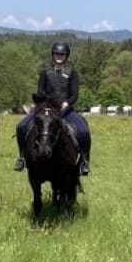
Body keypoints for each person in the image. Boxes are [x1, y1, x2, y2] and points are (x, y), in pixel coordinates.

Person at [13, 42, 92, 175]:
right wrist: (41, 101)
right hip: (47, 108)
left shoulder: (72, 73)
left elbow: (74, 95)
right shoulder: (45, 72)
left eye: (62, 54)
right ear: (53, 55)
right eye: (57, 54)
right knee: (21, 126)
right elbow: (40, 91)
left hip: (65, 110)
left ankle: (84, 161)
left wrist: (67, 103)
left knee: (83, 130)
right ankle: (22, 158)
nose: (59, 56)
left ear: (66, 56)